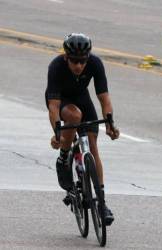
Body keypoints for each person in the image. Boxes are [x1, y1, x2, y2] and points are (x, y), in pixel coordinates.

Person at [45, 33, 119, 225]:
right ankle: (64, 156)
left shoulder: (95, 63)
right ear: (66, 57)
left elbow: (104, 98)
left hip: (82, 99)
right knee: (74, 115)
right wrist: (57, 133)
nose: (79, 66)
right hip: (62, 101)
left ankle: (101, 203)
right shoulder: (56, 66)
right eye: (74, 61)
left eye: (82, 61)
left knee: (93, 148)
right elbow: (53, 106)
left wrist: (110, 124)